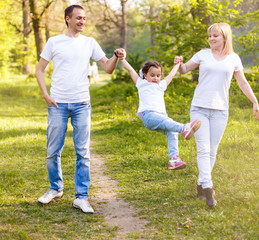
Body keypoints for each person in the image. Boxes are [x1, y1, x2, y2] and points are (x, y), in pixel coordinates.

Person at [35, 4, 126, 214]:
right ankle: (55, 188)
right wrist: (45, 95)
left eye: (84, 18)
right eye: (78, 18)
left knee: (83, 152)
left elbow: (107, 68)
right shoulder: (54, 42)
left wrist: (116, 56)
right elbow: (39, 70)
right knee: (52, 151)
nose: (82, 21)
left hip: (82, 104)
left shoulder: (89, 43)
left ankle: (81, 197)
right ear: (68, 19)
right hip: (57, 104)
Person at [178, 22, 259, 208]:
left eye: (215, 35)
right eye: (210, 36)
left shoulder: (233, 58)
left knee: (213, 150)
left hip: (220, 111)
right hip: (199, 108)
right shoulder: (203, 54)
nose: (211, 39)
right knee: (203, 149)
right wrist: (179, 63)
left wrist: (254, 101)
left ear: (225, 37)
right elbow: (185, 70)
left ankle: (200, 184)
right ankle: (208, 188)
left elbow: (243, 83)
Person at [120, 56, 202, 170]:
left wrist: (177, 64)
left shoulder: (161, 85)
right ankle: (184, 128)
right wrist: (122, 58)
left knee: (172, 132)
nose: (155, 78)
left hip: (162, 117)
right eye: (152, 75)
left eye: (158, 75)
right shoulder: (141, 83)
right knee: (172, 125)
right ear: (145, 75)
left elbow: (172, 75)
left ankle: (174, 159)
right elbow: (130, 70)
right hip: (149, 116)